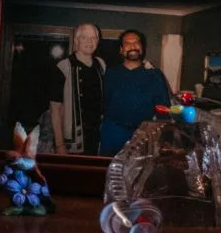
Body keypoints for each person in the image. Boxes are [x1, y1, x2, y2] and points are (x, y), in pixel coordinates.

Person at [99, 29, 173, 157]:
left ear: (142, 48)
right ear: (121, 50)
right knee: (108, 167)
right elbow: (102, 104)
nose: (132, 46)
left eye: (136, 42)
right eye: (127, 43)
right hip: (113, 134)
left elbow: (164, 110)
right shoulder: (110, 74)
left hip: (142, 135)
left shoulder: (155, 75)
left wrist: (165, 139)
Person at [50, 23, 106, 155]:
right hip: (71, 142)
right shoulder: (63, 67)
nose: (89, 41)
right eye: (84, 37)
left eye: (93, 38)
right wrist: (59, 145)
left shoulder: (101, 65)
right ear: (76, 40)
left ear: (97, 41)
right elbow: (55, 109)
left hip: (96, 139)